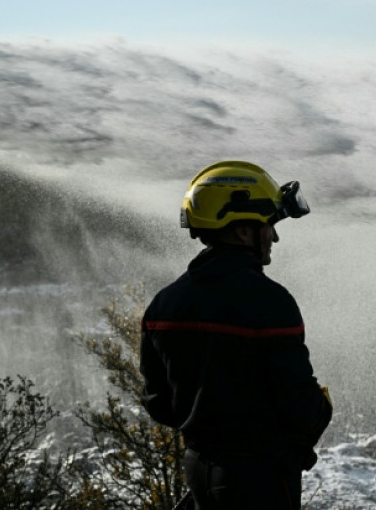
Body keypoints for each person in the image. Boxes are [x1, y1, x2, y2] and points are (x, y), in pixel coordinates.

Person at [140, 160, 332, 509]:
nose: (273, 236)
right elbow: (301, 408)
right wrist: (323, 407)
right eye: (268, 224)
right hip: (258, 482)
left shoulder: (163, 305)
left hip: (198, 473)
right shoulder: (270, 302)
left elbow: (160, 404)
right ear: (243, 230)